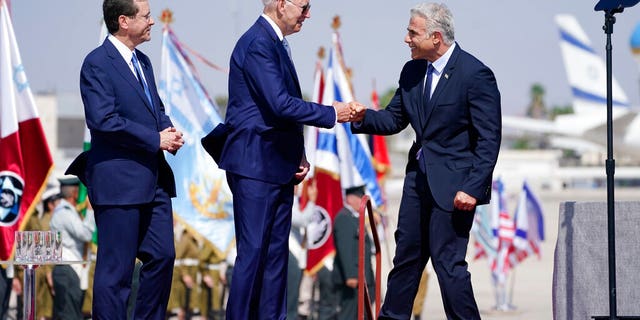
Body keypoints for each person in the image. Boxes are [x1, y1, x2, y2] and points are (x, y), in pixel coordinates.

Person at [350, 3, 502, 319]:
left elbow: (489, 140)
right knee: (406, 260)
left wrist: (473, 188)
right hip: (417, 183)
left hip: (455, 190)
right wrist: (362, 117)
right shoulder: (412, 71)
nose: (406, 39)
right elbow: (393, 120)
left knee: (449, 266)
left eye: (412, 32)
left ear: (435, 37)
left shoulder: (475, 75)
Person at [217, 0, 358, 318]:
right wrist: (332, 113)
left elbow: (284, 107)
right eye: (304, 6)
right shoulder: (257, 44)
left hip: (277, 164)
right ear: (281, 4)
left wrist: (299, 153)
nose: (308, 14)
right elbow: (280, 104)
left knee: (275, 257)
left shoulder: (276, 44)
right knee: (253, 255)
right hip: (254, 164)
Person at [66, 0, 184, 318]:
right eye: (145, 16)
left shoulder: (142, 62)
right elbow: (103, 120)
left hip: (153, 180)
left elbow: (154, 109)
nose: (152, 21)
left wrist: (167, 131)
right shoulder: (97, 64)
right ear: (123, 21)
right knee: (116, 273)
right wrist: (153, 139)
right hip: (118, 182)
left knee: (163, 256)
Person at [49, 176, 95, 320]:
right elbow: (86, 234)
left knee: (71, 313)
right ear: (75, 193)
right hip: (67, 269)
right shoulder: (65, 212)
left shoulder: (65, 211)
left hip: (68, 269)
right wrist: (90, 211)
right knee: (70, 315)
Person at [332, 185, 375, 319]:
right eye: (359, 198)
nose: (361, 201)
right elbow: (344, 248)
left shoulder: (355, 217)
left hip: (362, 276)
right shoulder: (344, 217)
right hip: (354, 277)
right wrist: (351, 275)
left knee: (363, 312)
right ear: (350, 198)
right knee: (349, 314)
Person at [287, 180, 317, 319]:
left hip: (295, 254)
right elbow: (301, 220)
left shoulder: (295, 201)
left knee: (293, 299)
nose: (299, 186)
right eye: (295, 183)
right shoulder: (287, 200)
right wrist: (312, 202)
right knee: (290, 301)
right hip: (289, 253)